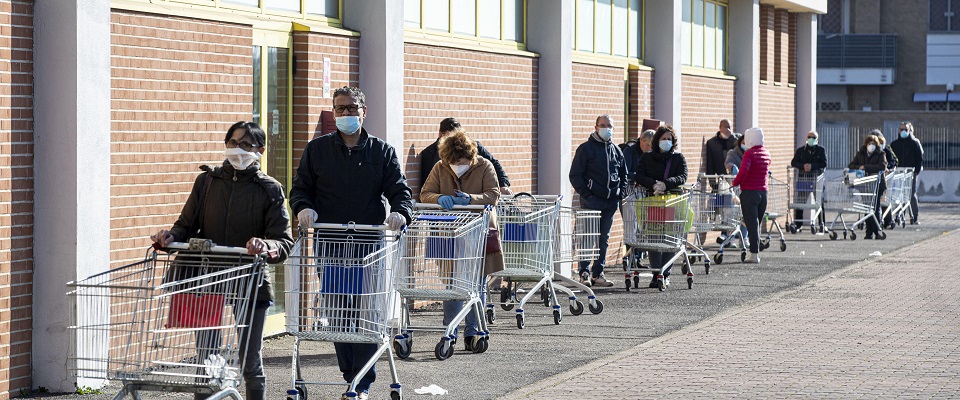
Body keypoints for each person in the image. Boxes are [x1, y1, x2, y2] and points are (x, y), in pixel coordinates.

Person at [151, 121, 294, 400]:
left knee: (250, 362)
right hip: (205, 276)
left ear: (260, 150)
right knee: (206, 360)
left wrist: (266, 245)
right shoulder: (206, 182)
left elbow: (284, 242)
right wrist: (170, 237)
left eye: (245, 144)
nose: (237, 149)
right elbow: (186, 224)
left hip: (249, 280)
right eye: (232, 143)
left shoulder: (270, 189)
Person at [290, 87, 413, 400]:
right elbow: (300, 189)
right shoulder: (317, 150)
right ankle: (351, 376)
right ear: (334, 113)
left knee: (366, 311)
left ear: (364, 111)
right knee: (338, 311)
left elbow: (400, 191)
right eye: (340, 109)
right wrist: (303, 208)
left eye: (351, 109)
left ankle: (363, 381)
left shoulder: (381, 152)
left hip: (367, 245)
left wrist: (400, 213)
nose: (345, 114)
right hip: (330, 243)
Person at [420, 129, 504, 351]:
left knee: (476, 284)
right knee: (451, 283)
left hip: (477, 233)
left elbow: (493, 194)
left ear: (471, 156)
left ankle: (473, 331)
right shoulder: (440, 168)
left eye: (464, 161)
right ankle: (451, 329)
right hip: (448, 232)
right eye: (455, 162)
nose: (459, 165)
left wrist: (471, 200)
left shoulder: (484, 165)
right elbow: (425, 193)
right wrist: (440, 198)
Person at [569, 114, 627, 288]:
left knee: (604, 238)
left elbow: (624, 175)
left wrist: (619, 193)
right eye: (602, 125)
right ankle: (584, 272)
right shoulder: (586, 149)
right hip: (591, 202)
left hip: (610, 203)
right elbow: (575, 175)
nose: (606, 129)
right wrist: (587, 194)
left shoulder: (616, 150)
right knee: (588, 237)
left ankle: (598, 272)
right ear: (595, 127)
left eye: (609, 126)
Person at [635, 125, 688, 287]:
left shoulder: (678, 158)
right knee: (654, 238)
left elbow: (682, 176)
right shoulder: (647, 158)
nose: (666, 142)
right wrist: (653, 185)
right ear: (657, 140)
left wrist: (665, 184)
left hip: (672, 201)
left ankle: (666, 273)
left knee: (669, 238)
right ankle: (656, 273)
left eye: (669, 139)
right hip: (653, 201)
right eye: (663, 139)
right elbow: (640, 175)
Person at [420, 117, 512, 196]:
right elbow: (426, 189)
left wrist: (503, 184)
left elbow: (494, 166)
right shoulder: (431, 156)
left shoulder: (474, 149)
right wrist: (438, 198)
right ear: (441, 134)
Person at [731, 127, 771, 264]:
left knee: (751, 223)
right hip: (763, 193)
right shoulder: (766, 153)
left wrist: (734, 182)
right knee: (756, 223)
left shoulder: (749, 153)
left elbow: (743, 171)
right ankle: (757, 244)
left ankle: (754, 254)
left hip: (749, 192)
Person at [704, 119, 740, 244]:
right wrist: (713, 183)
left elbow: (738, 146)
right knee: (724, 208)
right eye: (725, 127)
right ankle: (725, 234)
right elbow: (710, 165)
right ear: (720, 128)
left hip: (736, 180)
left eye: (729, 127)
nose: (727, 129)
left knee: (734, 209)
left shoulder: (736, 139)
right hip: (722, 182)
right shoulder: (712, 143)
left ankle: (732, 235)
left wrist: (730, 136)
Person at [848, 135, 887, 239]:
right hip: (864, 184)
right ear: (866, 144)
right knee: (867, 208)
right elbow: (851, 165)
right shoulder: (861, 153)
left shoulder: (880, 153)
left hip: (877, 184)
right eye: (869, 143)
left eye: (873, 144)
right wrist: (859, 167)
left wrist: (866, 167)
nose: (871, 146)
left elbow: (882, 166)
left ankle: (877, 231)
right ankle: (868, 232)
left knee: (875, 207)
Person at [789, 130, 827, 230]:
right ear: (806, 138)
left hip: (816, 179)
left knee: (819, 202)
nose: (811, 139)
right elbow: (794, 162)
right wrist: (803, 166)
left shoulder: (820, 150)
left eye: (813, 137)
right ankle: (798, 224)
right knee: (800, 201)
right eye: (809, 137)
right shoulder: (801, 151)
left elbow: (824, 164)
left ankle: (822, 224)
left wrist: (812, 166)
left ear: (817, 139)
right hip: (803, 178)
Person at [890, 121, 923, 224]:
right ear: (898, 131)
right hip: (898, 173)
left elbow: (919, 158)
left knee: (911, 194)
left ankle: (915, 217)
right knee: (898, 194)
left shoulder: (914, 143)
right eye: (901, 129)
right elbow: (891, 159)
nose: (903, 131)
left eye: (906, 130)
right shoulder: (894, 144)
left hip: (910, 173)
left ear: (910, 131)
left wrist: (916, 171)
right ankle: (899, 216)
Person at [870, 130, 898, 227]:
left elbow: (893, 161)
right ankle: (872, 221)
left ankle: (887, 220)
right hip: (872, 177)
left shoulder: (886, 150)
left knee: (884, 199)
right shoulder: (869, 150)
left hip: (885, 177)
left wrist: (888, 168)